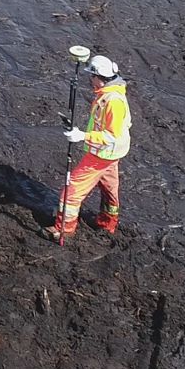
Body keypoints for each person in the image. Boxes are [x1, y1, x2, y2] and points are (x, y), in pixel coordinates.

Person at [42, 53, 132, 242]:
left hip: (102, 153)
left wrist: (81, 136)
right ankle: (107, 223)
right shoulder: (110, 94)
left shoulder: (112, 101)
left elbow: (111, 136)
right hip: (111, 154)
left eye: (92, 76)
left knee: (72, 191)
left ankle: (63, 229)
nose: (90, 80)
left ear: (100, 78)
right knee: (110, 190)